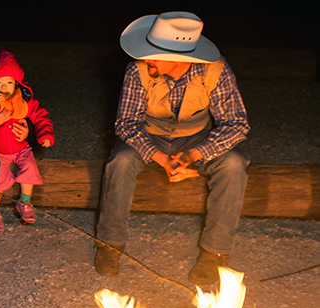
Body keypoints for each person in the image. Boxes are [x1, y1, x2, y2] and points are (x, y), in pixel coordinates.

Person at [94, 11, 250, 286]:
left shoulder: (216, 70)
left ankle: (214, 252)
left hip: (196, 140)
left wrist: (194, 154)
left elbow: (236, 124)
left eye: (152, 53)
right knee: (120, 161)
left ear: (179, 58)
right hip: (150, 137)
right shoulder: (138, 70)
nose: (144, 58)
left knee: (234, 164)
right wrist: (161, 158)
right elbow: (127, 123)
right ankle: (110, 244)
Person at [0, 49, 54, 234]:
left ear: (17, 83)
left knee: (30, 166)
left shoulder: (22, 100)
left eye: (9, 82)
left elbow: (40, 115)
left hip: (21, 147)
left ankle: (25, 201)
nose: (4, 87)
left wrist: (44, 134)